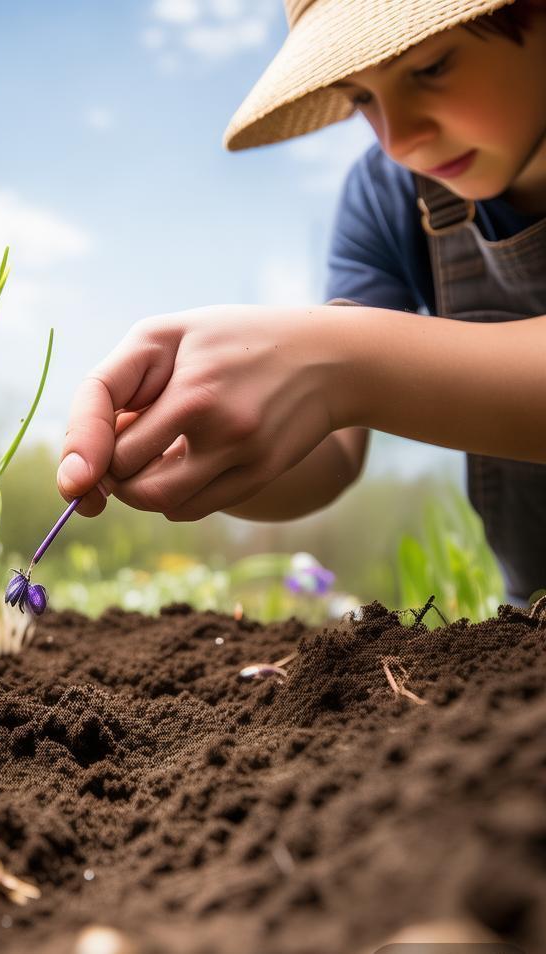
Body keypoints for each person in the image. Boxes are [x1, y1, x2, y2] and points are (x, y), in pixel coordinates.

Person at [56, 0, 546, 607]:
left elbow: (340, 375)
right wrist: (197, 431)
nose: (397, 140)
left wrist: (339, 363)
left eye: (431, 67)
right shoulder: (385, 198)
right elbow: (332, 450)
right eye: (361, 97)